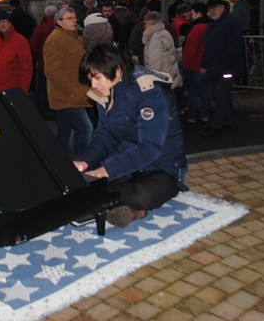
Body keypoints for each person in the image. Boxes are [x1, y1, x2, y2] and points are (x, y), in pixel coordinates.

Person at [73, 44, 187, 227]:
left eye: (97, 78)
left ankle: (130, 206)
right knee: (92, 185)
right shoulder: (105, 93)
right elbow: (105, 135)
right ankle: (119, 202)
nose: (93, 85)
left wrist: (105, 171)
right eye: (90, 79)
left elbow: (149, 148)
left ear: (117, 71)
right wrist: (86, 161)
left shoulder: (150, 93)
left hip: (161, 166)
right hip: (127, 162)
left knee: (139, 196)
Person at [44, 7, 93, 157]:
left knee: (66, 132)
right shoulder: (56, 39)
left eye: (74, 17)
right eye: (69, 18)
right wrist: (73, 91)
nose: (74, 21)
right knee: (85, 128)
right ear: (59, 22)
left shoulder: (74, 37)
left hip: (76, 93)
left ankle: (62, 164)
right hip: (67, 96)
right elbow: (52, 71)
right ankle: (82, 162)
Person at [199, 0, 244, 136]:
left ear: (221, 8)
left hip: (226, 67)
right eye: (209, 10)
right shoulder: (214, 23)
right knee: (218, 94)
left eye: (213, 9)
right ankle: (225, 120)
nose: (211, 12)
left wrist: (223, 62)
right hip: (216, 66)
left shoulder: (231, 22)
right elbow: (208, 46)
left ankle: (216, 125)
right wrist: (204, 63)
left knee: (220, 94)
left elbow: (234, 46)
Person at [142, 11, 184, 110]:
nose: (145, 26)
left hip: (161, 75)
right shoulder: (163, 33)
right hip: (166, 73)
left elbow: (156, 60)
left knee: (164, 103)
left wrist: (152, 78)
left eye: (146, 23)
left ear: (153, 24)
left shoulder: (157, 37)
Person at [0, 11, 32, 95]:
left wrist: (23, 90)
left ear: (10, 23)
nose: (2, 24)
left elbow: (26, 68)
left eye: (5, 21)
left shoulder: (20, 41)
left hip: (13, 90)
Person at [181, 3, 211, 124]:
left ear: (198, 13)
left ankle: (191, 116)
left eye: (192, 13)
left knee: (193, 92)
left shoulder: (196, 28)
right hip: (206, 64)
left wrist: (185, 65)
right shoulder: (210, 26)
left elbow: (190, 50)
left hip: (194, 65)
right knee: (205, 91)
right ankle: (205, 115)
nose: (191, 16)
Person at [29, 5, 57, 119]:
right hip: (58, 63)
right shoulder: (59, 26)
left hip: (43, 62)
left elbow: (33, 44)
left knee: (43, 88)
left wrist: (38, 56)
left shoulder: (41, 27)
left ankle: (43, 109)